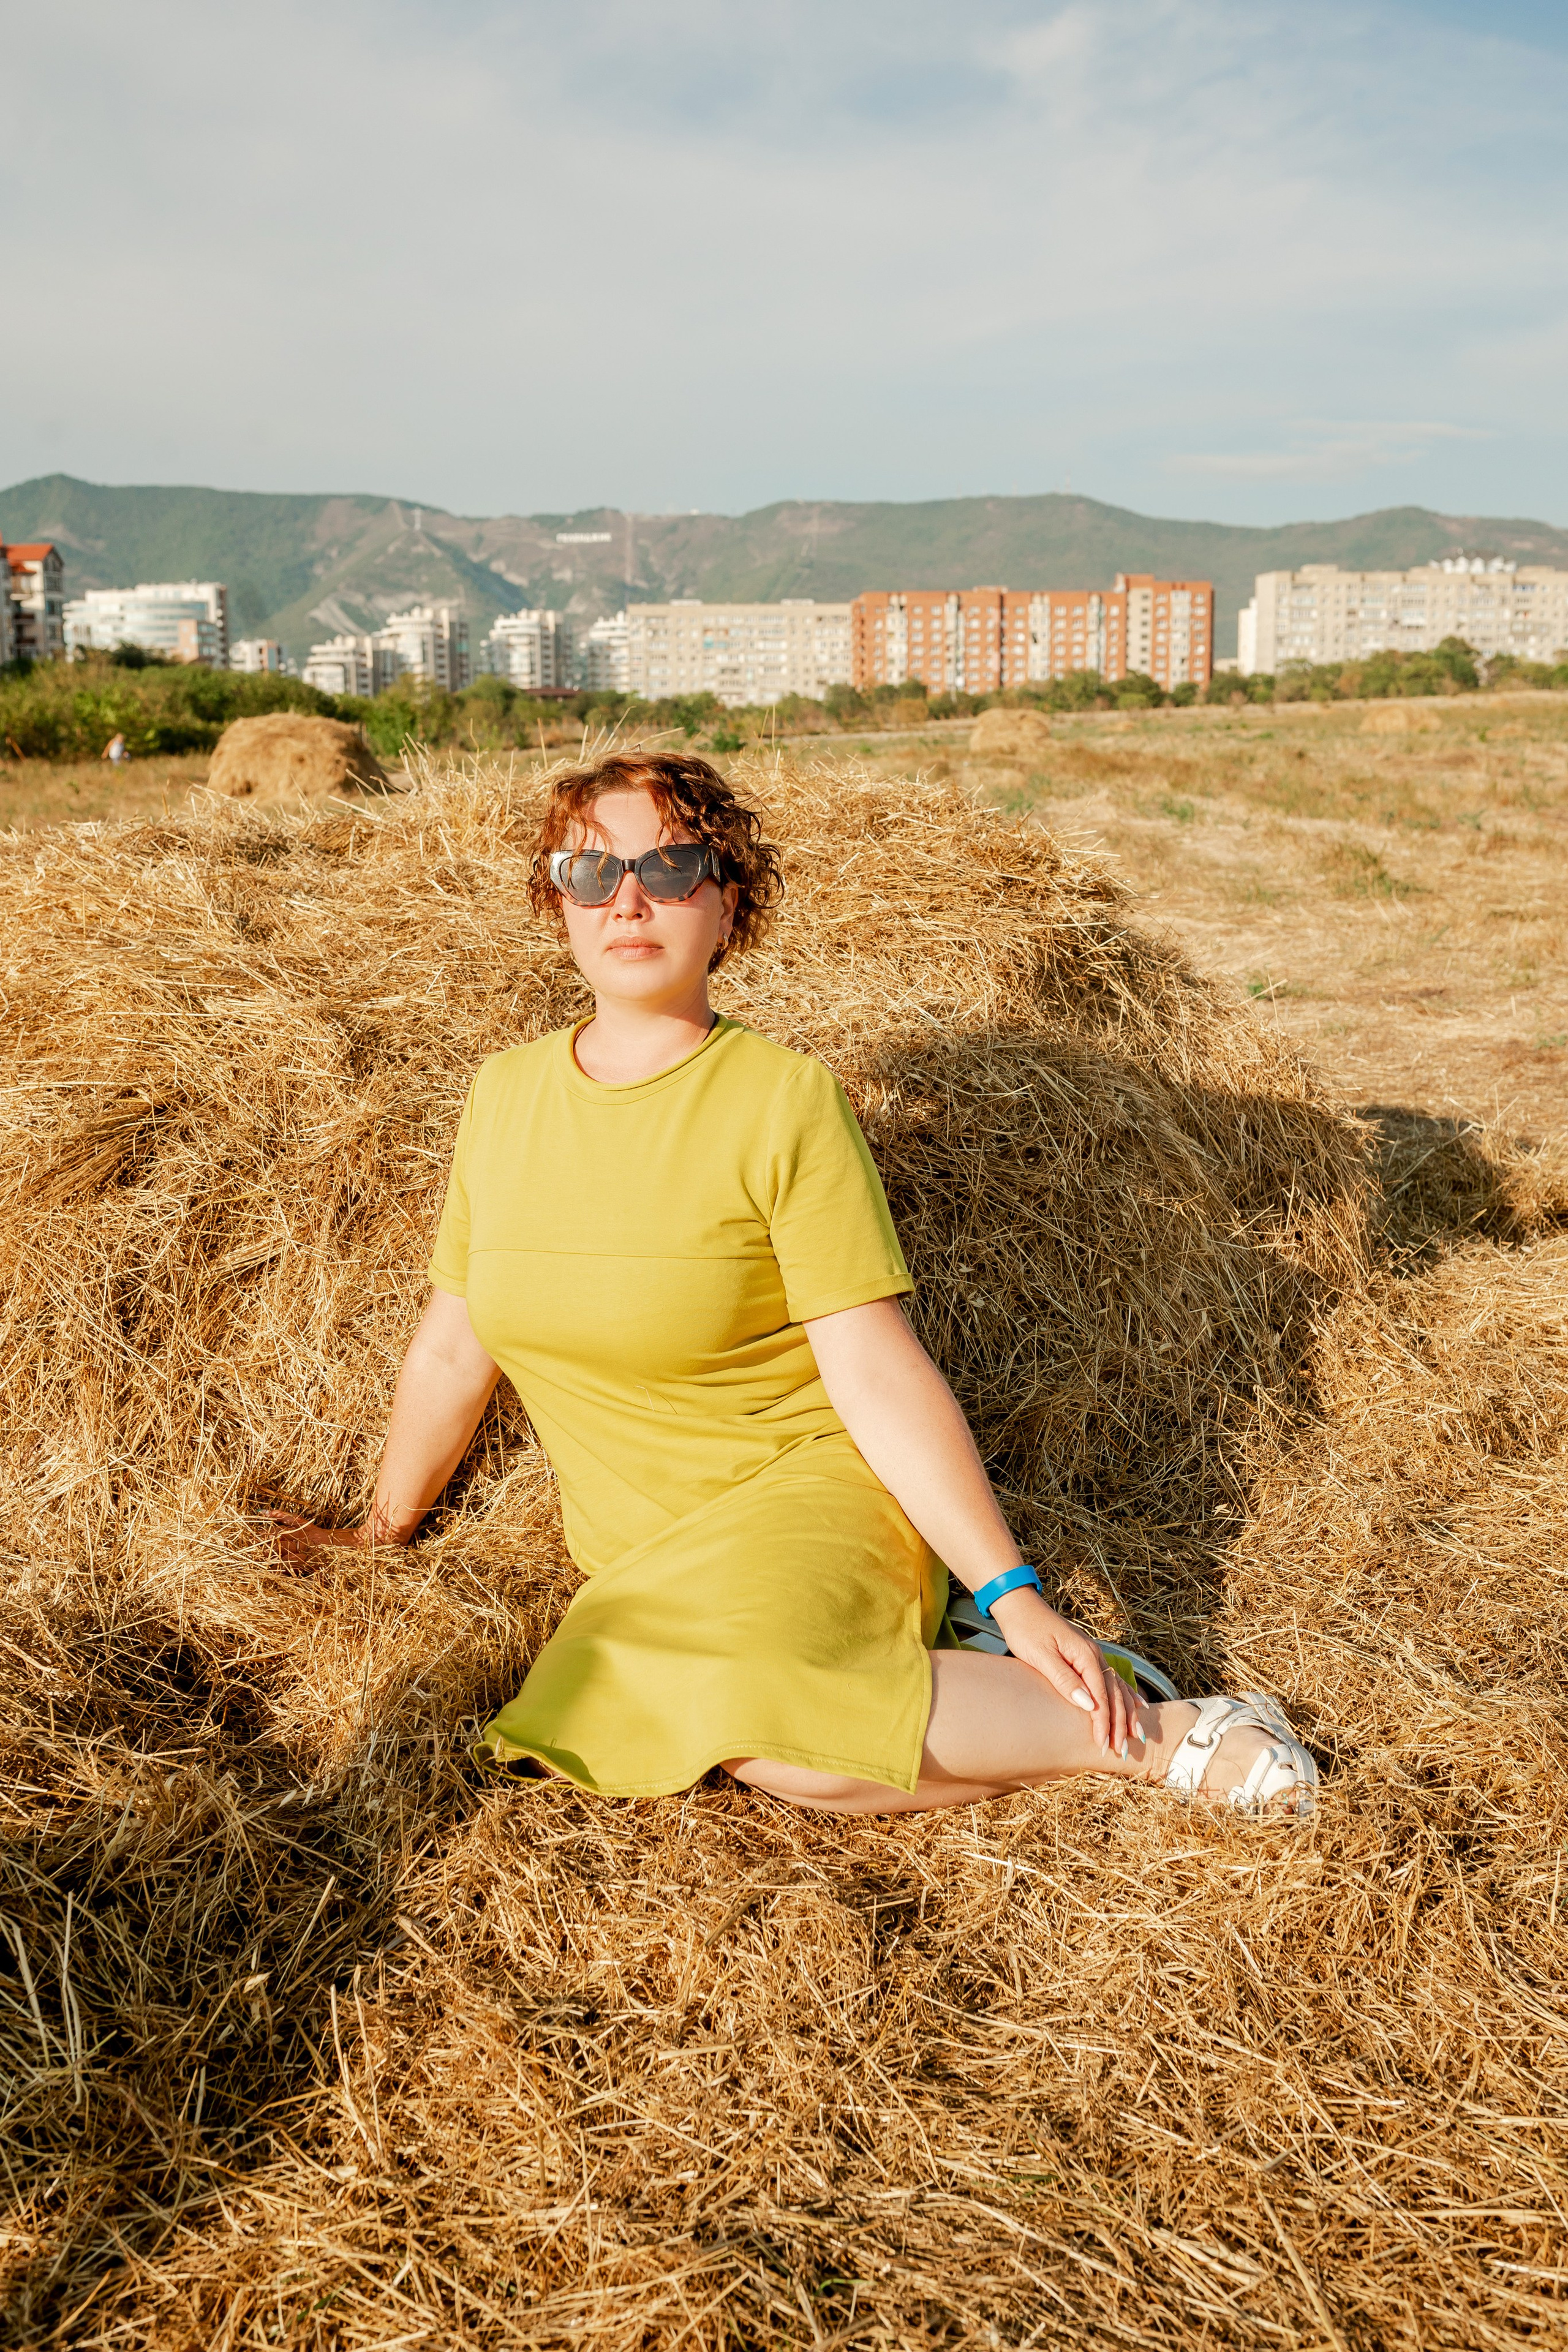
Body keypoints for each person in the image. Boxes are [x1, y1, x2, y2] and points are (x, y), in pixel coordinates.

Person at [280, 752, 1315, 1818]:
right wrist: (378, 1534)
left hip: (805, 1497)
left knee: (773, 1732)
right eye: (590, 874)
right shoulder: (504, 1098)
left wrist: (1014, 1596)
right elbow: (456, 1345)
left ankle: (1163, 1735)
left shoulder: (784, 1102)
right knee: (714, 1726)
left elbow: (872, 1367)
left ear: (728, 904)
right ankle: (955, 1689)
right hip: (647, 1553)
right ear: (559, 907)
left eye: (671, 868)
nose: (628, 900)